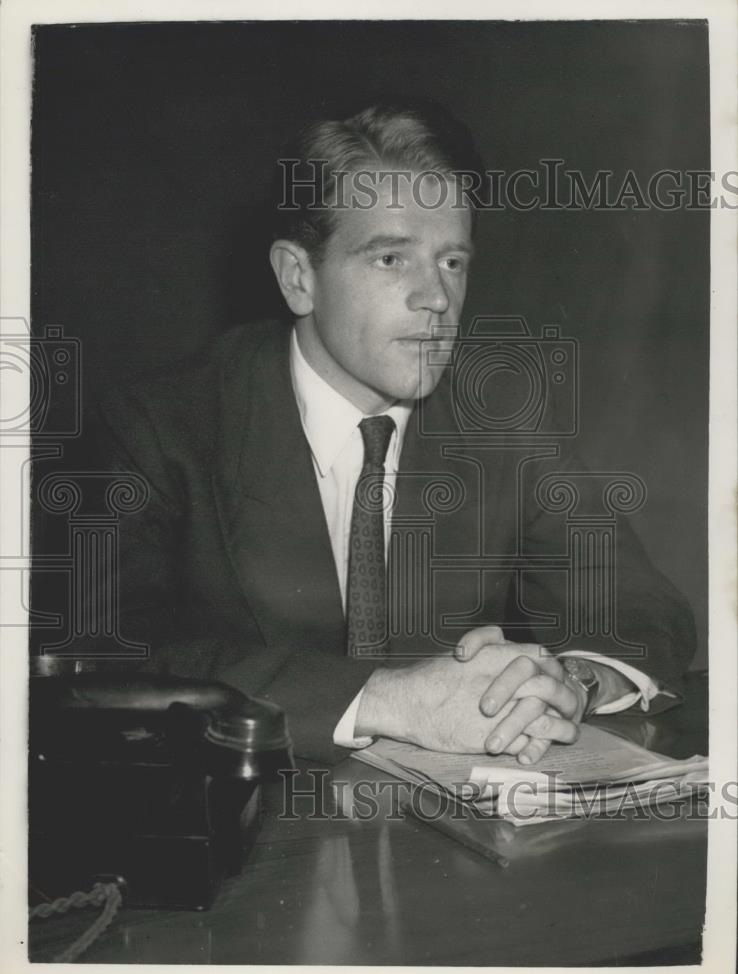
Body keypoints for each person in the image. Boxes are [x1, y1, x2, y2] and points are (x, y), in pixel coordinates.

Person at [91, 100, 695, 764]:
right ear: (299, 278)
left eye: (452, 262)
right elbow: (102, 656)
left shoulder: (502, 413)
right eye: (390, 259)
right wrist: (386, 700)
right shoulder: (163, 424)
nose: (435, 297)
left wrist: (571, 682)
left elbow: (638, 606)